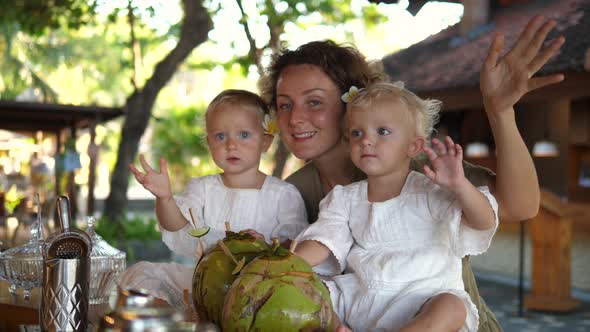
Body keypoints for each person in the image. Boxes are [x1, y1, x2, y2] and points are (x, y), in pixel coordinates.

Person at [259, 15, 564, 331]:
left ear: (353, 103)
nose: (295, 117)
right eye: (284, 105)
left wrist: (500, 112)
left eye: (314, 102)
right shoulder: (292, 191)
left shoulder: (422, 170)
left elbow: (521, 206)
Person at [294, 81, 499, 331]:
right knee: (312, 289)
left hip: (422, 299)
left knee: (452, 305)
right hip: (362, 300)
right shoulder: (344, 199)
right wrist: (290, 265)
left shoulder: (430, 192)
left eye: (382, 131)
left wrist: (460, 186)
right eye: (357, 133)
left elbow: (483, 221)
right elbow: (324, 239)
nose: (366, 141)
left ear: (413, 146)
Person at [120, 89, 308, 307]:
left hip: (259, 290)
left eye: (244, 135)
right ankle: (161, 319)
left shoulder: (283, 195)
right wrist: (165, 198)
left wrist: (265, 246)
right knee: (141, 272)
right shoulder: (202, 188)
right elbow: (176, 225)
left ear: (265, 142)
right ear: (209, 143)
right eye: (220, 136)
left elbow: (294, 248)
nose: (231, 145)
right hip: (204, 283)